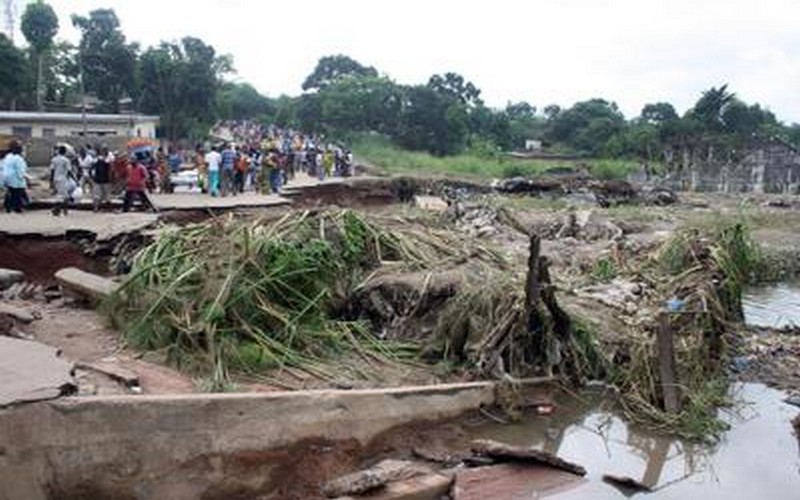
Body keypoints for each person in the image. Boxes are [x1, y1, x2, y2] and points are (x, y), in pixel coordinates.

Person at [2, 141, 28, 213]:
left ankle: (8, 207)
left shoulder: (8, 157)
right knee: (17, 194)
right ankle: (17, 208)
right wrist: (23, 177)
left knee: (10, 193)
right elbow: (20, 170)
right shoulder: (18, 159)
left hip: (7, 178)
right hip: (16, 180)